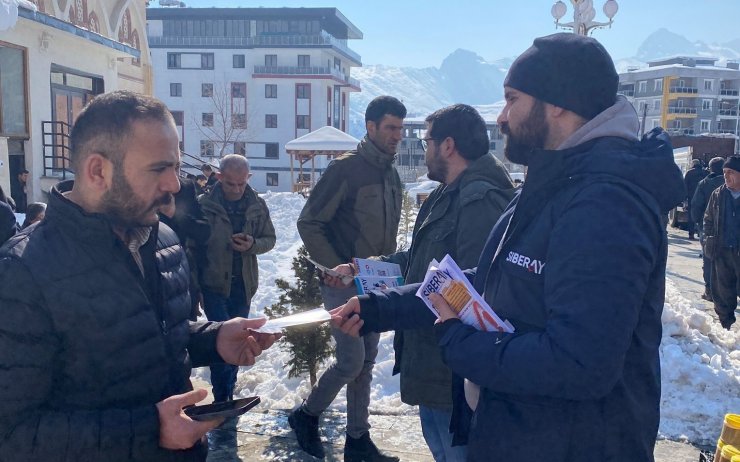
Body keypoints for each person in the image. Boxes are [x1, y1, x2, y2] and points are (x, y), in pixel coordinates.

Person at [332, 33, 685, 462]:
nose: (501, 117)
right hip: (524, 436)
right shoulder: (556, 181)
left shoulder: (604, 203)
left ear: (557, 101)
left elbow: (579, 363)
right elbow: (495, 279)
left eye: (512, 98)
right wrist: (380, 308)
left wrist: (457, 341)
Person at [0, 90, 279, 461]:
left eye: (176, 167)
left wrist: (215, 340)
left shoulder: (161, 238)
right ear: (98, 171)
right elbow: (12, 434)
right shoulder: (22, 273)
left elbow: (146, 335)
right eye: (158, 169)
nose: (175, 185)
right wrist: (150, 430)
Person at [332, 104, 514, 461]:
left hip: (453, 376)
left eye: (426, 140)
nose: (421, 147)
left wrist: (383, 309)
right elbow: (420, 258)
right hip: (432, 361)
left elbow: (469, 290)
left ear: (448, 145)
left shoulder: (480, 200)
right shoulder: (448, 192)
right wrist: (365, 269)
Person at [291, 95, 407, 461]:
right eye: (390, 128)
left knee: (367, 364)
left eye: (400, 129)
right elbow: (309, 222)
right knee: (351, 361)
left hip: (377, 283)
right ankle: (306, 415)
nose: (396, 136)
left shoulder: (391, 173)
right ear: (370, 127)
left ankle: (358, 439)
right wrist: (335, 267)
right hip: (343, 284)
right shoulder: (345, 170)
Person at [198, 154, 276, 402]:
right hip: (213, 285)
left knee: (239, 340)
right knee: (221, 342)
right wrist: (195, 287)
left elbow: (270, 239)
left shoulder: (257, 205)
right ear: (219, 178)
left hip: (243, 285)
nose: (237, 189)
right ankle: (223, 399)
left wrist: (252, 244)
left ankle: (227, 395)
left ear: (248, 178)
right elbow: (192, 247)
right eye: (231, 184)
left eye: (242, 183)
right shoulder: (203, 205)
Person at [160, 177, 211, 320]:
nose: (175, 182)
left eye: (177, 167)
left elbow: (204, 231)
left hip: (183, 278)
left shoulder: (185, 188)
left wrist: (175, 215)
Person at [702, 156, 740, 330]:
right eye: (725, 172)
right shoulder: (718, 194)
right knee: (723, 291)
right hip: (722, 250)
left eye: (731, 172)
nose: (726, 176)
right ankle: (726, 325)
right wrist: (708, 238)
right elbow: (708, 219)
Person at [691, 156, 726, 301]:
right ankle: (726, 292)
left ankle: (710, 291)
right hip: (728, 228)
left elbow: (696, 206)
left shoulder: (703, 184)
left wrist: (698, 223)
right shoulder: (731, 183)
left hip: (708, 228)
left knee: (709, 259)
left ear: (710, 168)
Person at [684, 158, 708, 239]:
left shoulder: (689, 172)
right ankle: (700, 232)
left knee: (691, 215)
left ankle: (691, 234)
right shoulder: (705, 172)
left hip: (692, 197)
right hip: (703, 197)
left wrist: (685, 199)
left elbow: (685, 186)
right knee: (703, 215)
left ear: (693, 164)